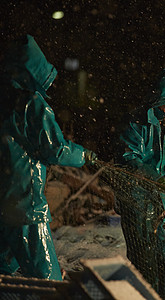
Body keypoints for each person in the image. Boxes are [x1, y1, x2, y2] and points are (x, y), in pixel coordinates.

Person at [0, 35, 97, 280]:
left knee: (5, 275)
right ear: (35, 71)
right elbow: (55, 149)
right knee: (48, 280)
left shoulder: (5, 101)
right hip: (26, 206)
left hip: (4, 204)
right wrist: (84, 154)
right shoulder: (32, 103)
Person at [117, 68, 165, 299]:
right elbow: (129, 157)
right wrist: (153, 177)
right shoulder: (137, 124)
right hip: (138, 199)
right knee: (144, 258)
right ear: (159, 98)